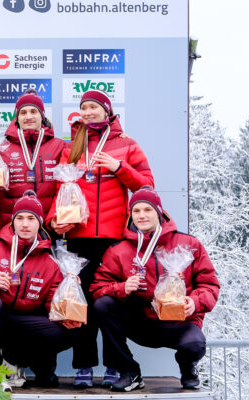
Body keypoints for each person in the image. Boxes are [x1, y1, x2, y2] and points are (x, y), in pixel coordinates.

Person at [46, 89, 155, 387]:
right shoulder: (73, 146)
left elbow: (147, 186)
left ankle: (114, 366)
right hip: (79, 239)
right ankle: (83, 366)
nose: (89, 112)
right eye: (84, 108)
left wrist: (119, 168)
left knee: (108, 304)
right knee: (80, 303)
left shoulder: (126, 145)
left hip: (114, 239)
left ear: (107, 111)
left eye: (94, 107)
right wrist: (53, 220)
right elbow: (60, 191)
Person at [91, 186, 219, 392]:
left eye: (147, 210)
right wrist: (122, 288)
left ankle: (188, 369)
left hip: (179, 321)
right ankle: (129, 370)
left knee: (194, 345)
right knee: (103, 305)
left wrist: (194, 302)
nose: (141, 215)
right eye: (136, 211)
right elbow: (97, 288)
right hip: (140, 322)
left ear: (159, 212)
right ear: (131, 215)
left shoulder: (189, 244)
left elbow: (210, 284)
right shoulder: (119, 250)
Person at [0, 191, 80, 390]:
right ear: (12, 222)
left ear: (40, 223)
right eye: (19, 218)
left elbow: (51, 306)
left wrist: (68, 293)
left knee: (71, 331)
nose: (24, 224)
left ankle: (16, 360)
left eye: (31, 218)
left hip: (21, 323)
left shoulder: (50, 261)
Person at [0, 89, 65, 234]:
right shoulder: (0, 147)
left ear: (42, 116)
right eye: (23, 112)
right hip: (8, 230)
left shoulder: (59, 146)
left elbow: (67, 189)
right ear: (17, 118)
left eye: (34, 111)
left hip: (47, 230)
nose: (29, 116)